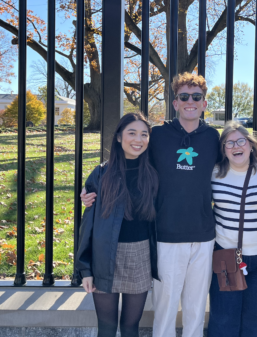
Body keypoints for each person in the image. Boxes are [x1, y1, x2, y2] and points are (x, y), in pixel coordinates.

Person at [81, 73, 220, 337]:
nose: (190, 101)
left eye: (197, 97)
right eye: (183, 96)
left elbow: (238, 162)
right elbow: (127, 160)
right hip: (165, 236)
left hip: (203, 235)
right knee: (165, 309)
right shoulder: (157, 135)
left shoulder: (214, 137)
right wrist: (91, 185)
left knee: (196, 308)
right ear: (175, 102)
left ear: (204, 103)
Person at [75, 112, 159, 337]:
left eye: (144, 134)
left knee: (131, 327)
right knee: (107, 327)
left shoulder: (153, 174)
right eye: (131, 133)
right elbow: (88, 227)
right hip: (104, 258)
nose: (138, 139)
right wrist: (86, 269)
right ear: (119, 137)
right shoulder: (102, 174)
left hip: (140, 256)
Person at [207, 121, 257, 337]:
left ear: (251, 145)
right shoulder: (214, 174)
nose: (236, 146)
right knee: (224, 316)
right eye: (229, 143)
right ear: (223, 150)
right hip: (226, 256)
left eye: (241, 141)